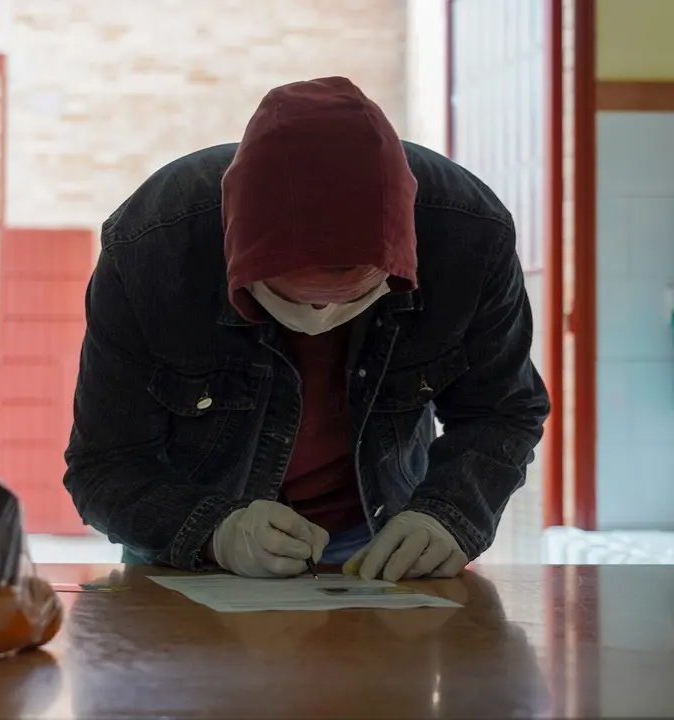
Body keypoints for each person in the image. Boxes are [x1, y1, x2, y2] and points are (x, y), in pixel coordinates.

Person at [62, 77, 550, 582]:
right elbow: (104, 464)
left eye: (356, 296)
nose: (320, 319)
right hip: (192, 547)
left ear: (401, 261)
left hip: (380, 539)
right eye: (290, 297)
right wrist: (213, 532)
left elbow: (503, 411)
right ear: (239, 256)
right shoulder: (151, 248)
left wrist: (449, 515)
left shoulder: (470, 237)